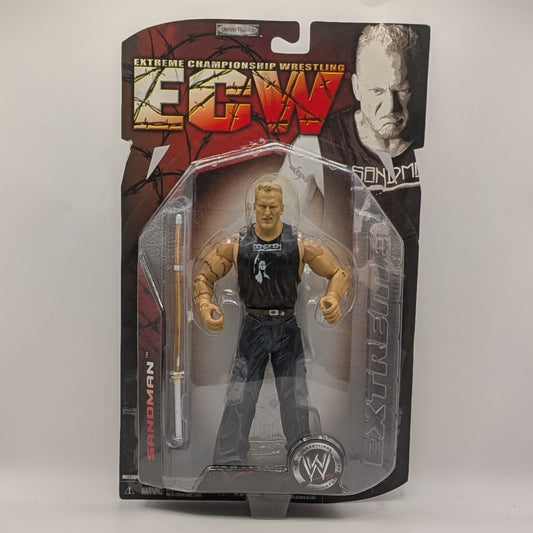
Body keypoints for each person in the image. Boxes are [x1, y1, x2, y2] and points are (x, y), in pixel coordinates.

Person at [193, 181, 349, 465]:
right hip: (253, 324)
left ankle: (302, 457)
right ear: (253, 207)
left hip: (287, 326)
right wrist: (205, 304)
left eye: (272, 207)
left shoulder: (300, 243)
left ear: (282, 208)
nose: (266, 212)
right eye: (262, 206)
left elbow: (338, 273)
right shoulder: (236, 244)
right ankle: (228, 461)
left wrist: (333, 298)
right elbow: (204, 277)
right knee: (240, 395)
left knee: (295, 397)